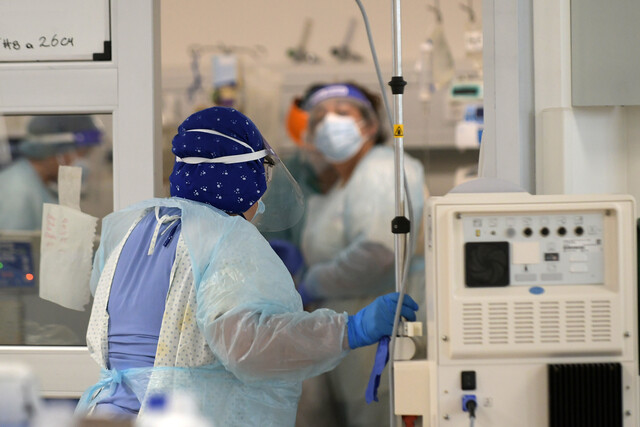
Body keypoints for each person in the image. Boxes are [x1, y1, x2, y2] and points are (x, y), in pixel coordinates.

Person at [75, 106, 419, 426]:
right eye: (261, 173)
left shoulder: (133, 226)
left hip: (108, 414)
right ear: (242, 177)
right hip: (182, 416)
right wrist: (349, 330)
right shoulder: (226, 237)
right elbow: (249, 347)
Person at [296, 83, 427, 427]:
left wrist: (312, 283)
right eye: (319, 118)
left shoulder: (382, 169)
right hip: (354, 346)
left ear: (369, 125)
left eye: (342, 112)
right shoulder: (340, 186)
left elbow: (379, 254)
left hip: (383, 342)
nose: (329, 123)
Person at [0, 115, 103, 230]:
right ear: (58, 151)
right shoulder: (17, 190)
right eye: (82, 154)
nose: (84, 163)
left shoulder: (39, 184)